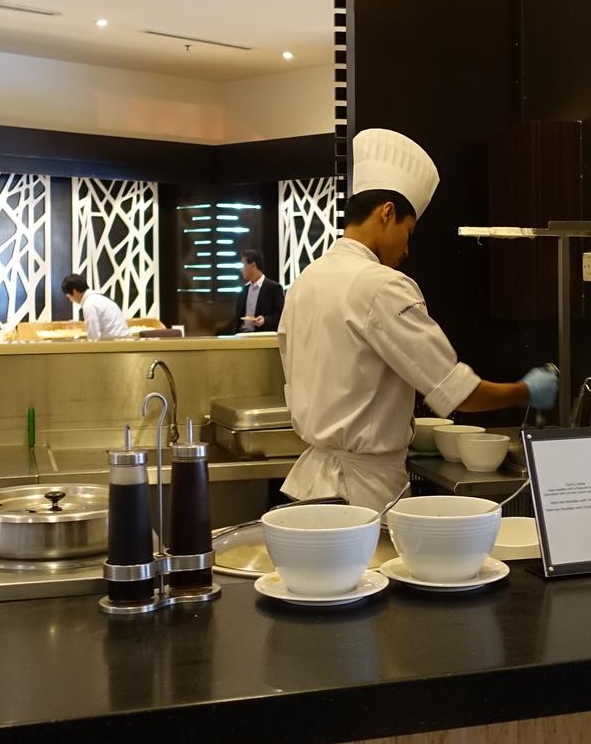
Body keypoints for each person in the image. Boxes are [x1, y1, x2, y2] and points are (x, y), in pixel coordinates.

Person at [277, 128, 559, 511]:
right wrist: (526, 390)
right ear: (387, 213)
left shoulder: (306, 281)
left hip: (308, 492)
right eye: (409, 232)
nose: (408, 248)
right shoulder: (383, 285)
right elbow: (459, 394)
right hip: (361, 499)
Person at [61, 274, 131, 340]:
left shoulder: (89, 304)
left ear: (74, 291)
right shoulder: (97, 298)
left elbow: (93, 336)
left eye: (69, 297)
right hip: (122, 341)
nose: (70, 300)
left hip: (115, 345)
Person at [234, 249, 285, 333]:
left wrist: (265, 320)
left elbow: (281, 316)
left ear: (253, 265)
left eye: (243, 265)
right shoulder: (244, 290)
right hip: (241, 336)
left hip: (262, 336)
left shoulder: (274, 288)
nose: (241, 269)